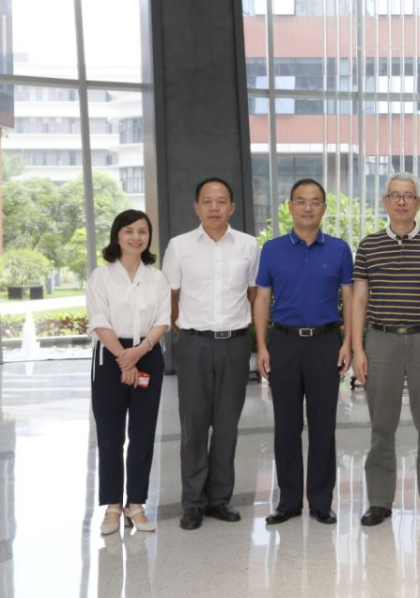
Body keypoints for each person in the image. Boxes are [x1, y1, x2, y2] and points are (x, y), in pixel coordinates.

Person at [352, 172, 420, 527]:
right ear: (384, 201)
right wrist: (358, 349)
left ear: (418, 202)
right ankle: (379, 501)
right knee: (382, 427)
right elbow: (359, 299)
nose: (401, 201)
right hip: (381, 341)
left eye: (408, 195)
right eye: (394, 195)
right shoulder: (369, 245)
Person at [162, 177, 260, 531]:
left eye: (221, 201)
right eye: (207, 201)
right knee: (194, 425)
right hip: (195, 344)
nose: (214, 207)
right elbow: (170, 297)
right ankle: (192, 502)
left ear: (232, 207)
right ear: (197, 207)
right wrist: (186, 332)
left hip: (235, 344)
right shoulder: (179, 246)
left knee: (227, 425)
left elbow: (254, 294)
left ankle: (220, 498)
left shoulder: (248, 245)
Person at [253, 178, 353, 525]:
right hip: (284, 343)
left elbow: (350, 298)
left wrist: (348, 342)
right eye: (301, 201)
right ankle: (289, 501)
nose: (308, 208)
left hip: (325, 342)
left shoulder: (339, 249)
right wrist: (262, 345)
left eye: (315, 202)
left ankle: (322, 501)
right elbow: (262, 298)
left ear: (324, 207)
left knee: (324, 425)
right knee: (286, 425)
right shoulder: (272, 249)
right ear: (290, 206)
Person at [87, 210, 171, 535]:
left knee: (142, 433)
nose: (136, 237)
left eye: (142, 232)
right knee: (110, 435)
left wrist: (139, 352)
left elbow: (163, 320)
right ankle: (112, 506)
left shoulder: (157, 278)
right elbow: (99, 320)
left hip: (147, 352)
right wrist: (125, 358)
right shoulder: (101, 276)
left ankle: (135, 504)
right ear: (117, 236)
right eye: (129, 231)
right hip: (110, 357)